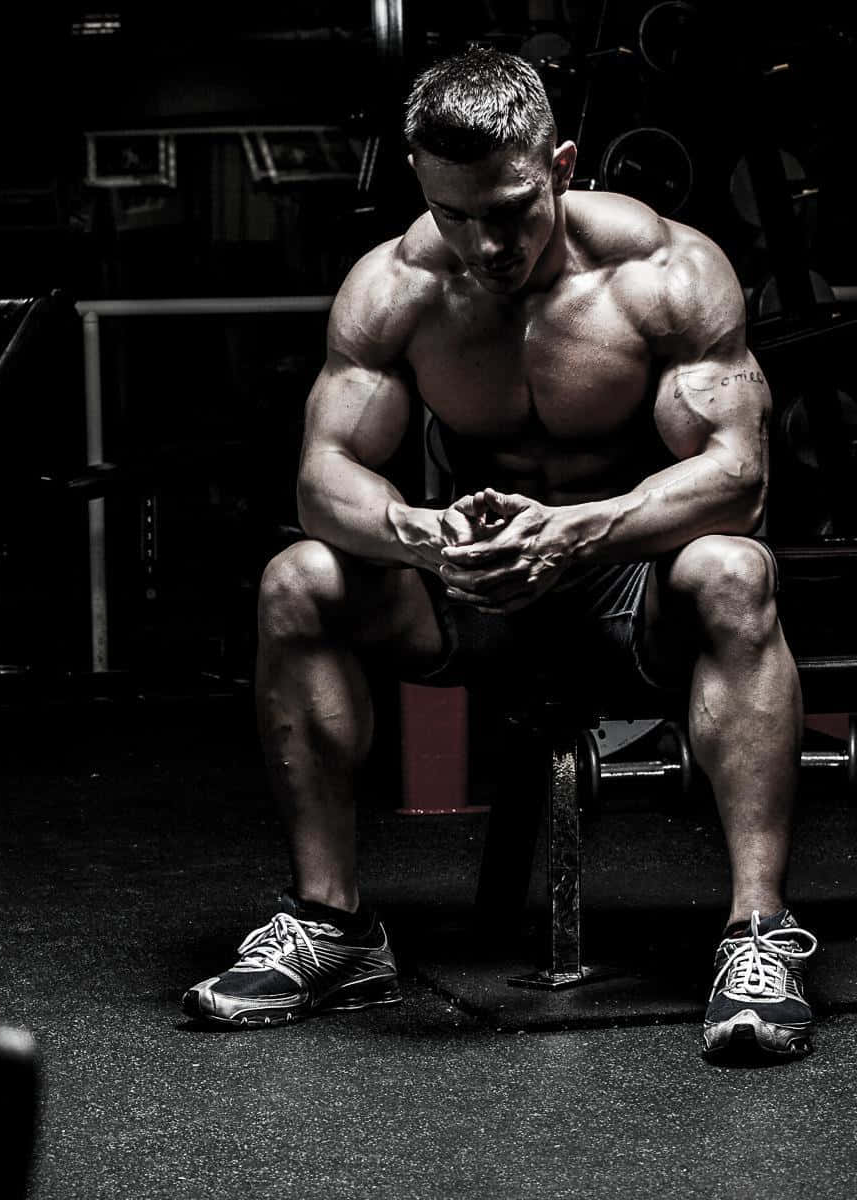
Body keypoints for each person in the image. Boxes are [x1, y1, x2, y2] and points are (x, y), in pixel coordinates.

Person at [181, 45, 818, 1060]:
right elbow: (323, 481)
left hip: (625, 590)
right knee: (297, 577)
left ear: (562, 164)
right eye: (453, 214)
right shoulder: (394, 289)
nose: (486, 245)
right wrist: (429, 539)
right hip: (472, 591)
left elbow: (739, 478)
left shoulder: (665, 270)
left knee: (734, 570)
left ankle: (756, 936)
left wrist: (583, 528)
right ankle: (334, 925)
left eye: (513, 209)